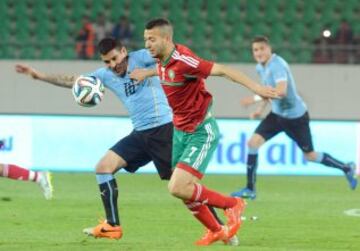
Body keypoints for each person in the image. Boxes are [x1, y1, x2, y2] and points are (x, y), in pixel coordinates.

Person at [14, 37, 236, 244]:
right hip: (140, 134)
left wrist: (156, 69)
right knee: (103, 167)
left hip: (165, 130)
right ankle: (112, 225)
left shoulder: (142, 57)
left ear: (124, 52)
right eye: (107, 61)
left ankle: (221, 228)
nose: (112, 64)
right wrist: (39, 76)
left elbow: (172, 57)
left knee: (184, 188)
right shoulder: (104, 74)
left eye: (115, 58)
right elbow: (74, 80)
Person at [129, 18, 278, 246]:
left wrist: (257, 88)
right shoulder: (161, 60)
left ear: (166, 39)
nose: (147, 44)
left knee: (178, 186)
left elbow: (223, 70)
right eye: (145, 39)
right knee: (182, 190)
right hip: (180, 130)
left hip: (200, 130)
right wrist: (145, 74)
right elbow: (165, 72)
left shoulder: (184, 60)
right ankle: (218, 230)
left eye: (152, 39)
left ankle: (233, 204)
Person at [230, 36, 358, 200]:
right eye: (256, 50)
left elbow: (281, 91)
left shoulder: (277, 65)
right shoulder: (260, 68)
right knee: (252, 143)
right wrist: (260, 109)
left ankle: (346, 168)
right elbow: (268, 91)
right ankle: (250, 189)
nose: (259, 53)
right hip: (277, 115)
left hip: (295, 118)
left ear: (269, 49)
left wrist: (254, 99)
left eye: (262, 49)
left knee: (310, 156)